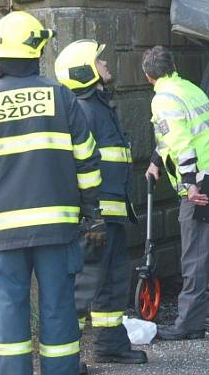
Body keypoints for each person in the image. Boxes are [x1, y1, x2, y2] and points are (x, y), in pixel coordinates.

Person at [0, 11, 101, 375]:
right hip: (58, 227)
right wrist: (91, 213)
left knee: (11, 311)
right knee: (58, 308)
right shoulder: (61, 97)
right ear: (36, 52)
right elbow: (87, 160)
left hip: (2, 234)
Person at [54, 39, 148, 365]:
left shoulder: (99, 106)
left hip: (113, 214)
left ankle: (110, 344)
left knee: (112, 281)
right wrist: (88, 215)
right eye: (99, 61)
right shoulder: (81, 111)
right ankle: (66, 358)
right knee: (84, 286)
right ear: (85, 72)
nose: (105, 65)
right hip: (96, 216)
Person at [141, 45, 209, 340]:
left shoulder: (162, 99)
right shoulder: (190, 89)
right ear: (172, 66)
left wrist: (189, 184)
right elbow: (176, 134)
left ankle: (189, 324)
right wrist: (156, 161)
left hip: (202, 181)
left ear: (148, 76)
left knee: (195, 256)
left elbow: (181, 141)